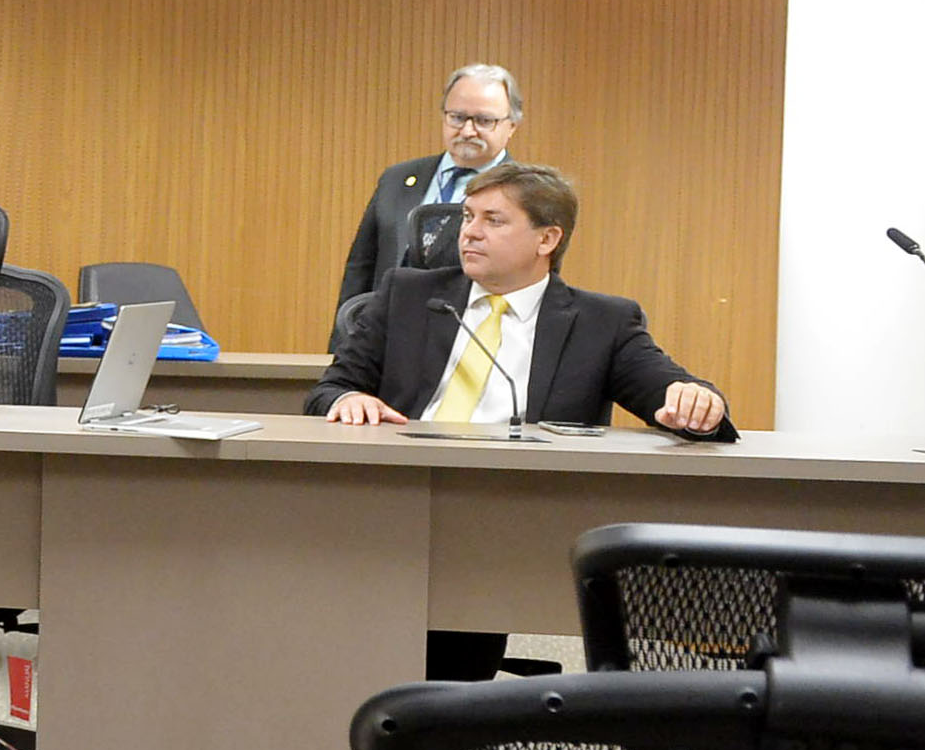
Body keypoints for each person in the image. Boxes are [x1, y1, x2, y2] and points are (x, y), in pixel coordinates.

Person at [307, 162, 734, 680]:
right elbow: (329, 389)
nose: (469, 232)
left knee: (449, 652)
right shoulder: (408, 295)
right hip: (397, 496)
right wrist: (350, 398)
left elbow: (673, 392)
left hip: (503, 516)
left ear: (547, 239)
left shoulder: (601, 322)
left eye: (493, 220)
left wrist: (696, 404)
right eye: (468, 216)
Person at [339, 65, 526, 308]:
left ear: (512, 126)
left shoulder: (526, 193)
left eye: (484, 121)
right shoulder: (397, 178)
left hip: (470, 324)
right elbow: (360, 267)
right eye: (457, 117)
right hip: (389, 322)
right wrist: (346, 330)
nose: (468, 131)